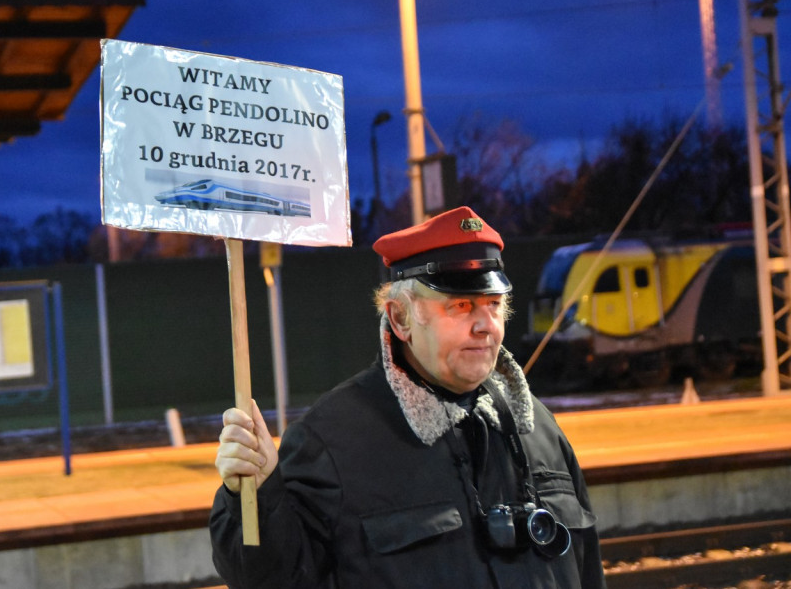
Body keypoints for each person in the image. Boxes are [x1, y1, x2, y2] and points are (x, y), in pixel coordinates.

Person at [210, 206, 606, 588]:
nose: (485, 325)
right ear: (400, 318)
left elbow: (587, 570)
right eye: (461, 306)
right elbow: (273, 579)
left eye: (494, 305)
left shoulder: (538, 428)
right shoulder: (333, 441)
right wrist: (256, 498)